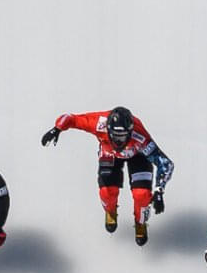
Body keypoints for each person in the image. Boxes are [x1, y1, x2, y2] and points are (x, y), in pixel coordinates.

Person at [41, 103, 173, 241]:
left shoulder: (140, 136)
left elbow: (165, 163)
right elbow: (72, 118)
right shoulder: (99, 123)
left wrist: (159, 190)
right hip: (109, 152)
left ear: (130, 132)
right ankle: (110, 210)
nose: (118, 141)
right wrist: (57, 128)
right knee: (106, 191)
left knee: (142, 195)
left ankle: (140, 222)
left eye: (122, 137)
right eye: (115, 136)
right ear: (108, 129)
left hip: (138, 154)